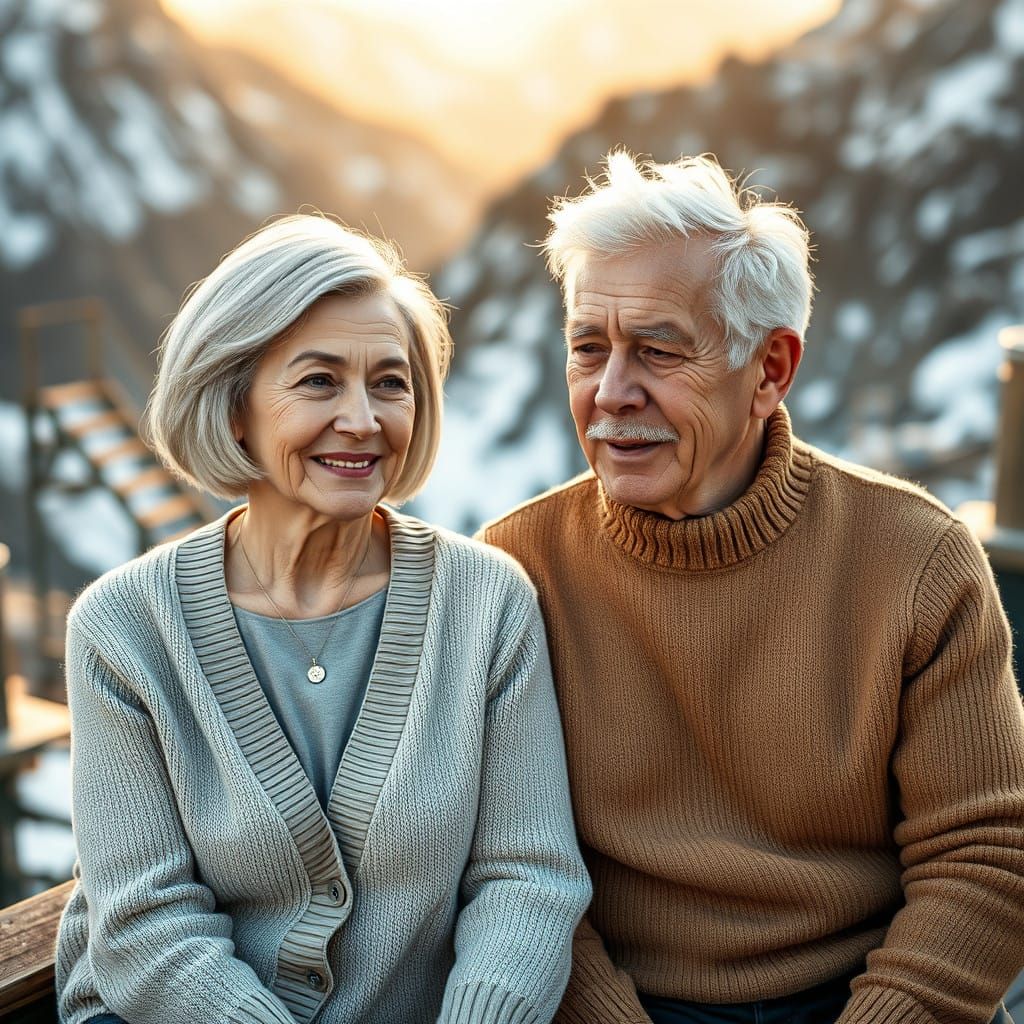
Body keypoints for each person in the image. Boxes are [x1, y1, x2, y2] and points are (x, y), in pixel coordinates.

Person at [480, 151, 1024, 1024]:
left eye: (658, 350)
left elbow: (988, 859)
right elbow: (506, 871)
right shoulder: (512, 571)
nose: (612, 393)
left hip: (873, 997)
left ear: (770, 370)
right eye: (589, 349)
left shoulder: (918, 561)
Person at [55, 215, 591, 1024]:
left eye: (389, 381)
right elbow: (146, 927)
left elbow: (529, 881)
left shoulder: (488, 603)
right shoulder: (123, 628)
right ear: (234, 407)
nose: (363, 419)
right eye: (318, 381)